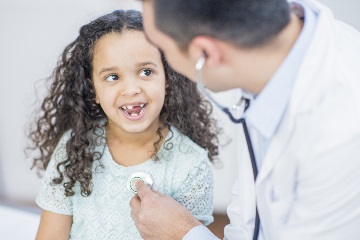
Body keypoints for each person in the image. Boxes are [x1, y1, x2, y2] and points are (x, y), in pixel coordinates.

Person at [130, 0, 360, 239]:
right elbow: (250, 216)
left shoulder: (342, 133)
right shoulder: (266, 48)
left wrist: (182, 233)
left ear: (206, 53)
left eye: (163, 49)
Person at [26, 9, 221, 239]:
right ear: (93, 90)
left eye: (146, 72)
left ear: (168, 79)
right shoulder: (73, 147)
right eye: (112, 77)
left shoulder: (191, 165)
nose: (131, 89)